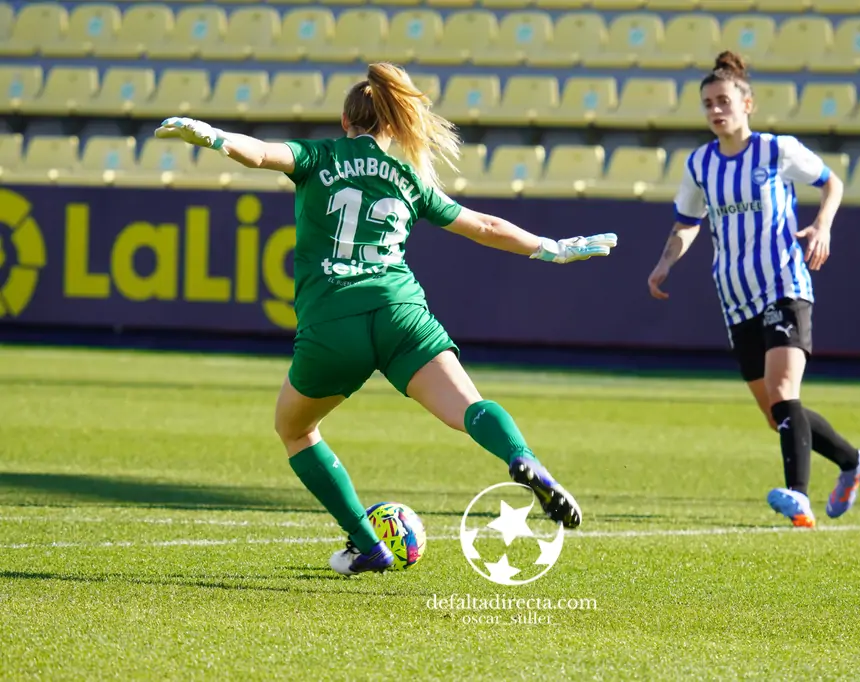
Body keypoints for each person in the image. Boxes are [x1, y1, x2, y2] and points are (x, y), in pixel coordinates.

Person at [155, 62, 617, 575]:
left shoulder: (319, 155)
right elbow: (483, 225)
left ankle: (366, 542)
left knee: (295, 429)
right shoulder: (408, 176)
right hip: (401, 312)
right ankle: (521, 457)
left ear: (346, 121)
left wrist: (215, 137)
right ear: (393, 125)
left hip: (333, 322)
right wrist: (551, 248)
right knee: (470, 408)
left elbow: (261, 153)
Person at [645, 51, 860, 529]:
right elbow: (687, 222)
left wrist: (822, 225)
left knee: (784, 389)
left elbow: (831, 183)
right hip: (735, 298)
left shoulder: (776, 151)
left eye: (724, 100)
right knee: (778, 414)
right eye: (708, 103)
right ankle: (853, 462)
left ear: (747, 104)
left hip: (783, 285)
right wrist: (665, 262)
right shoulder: (700, 165)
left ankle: (798, 498)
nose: (716, 110)